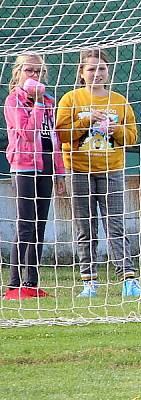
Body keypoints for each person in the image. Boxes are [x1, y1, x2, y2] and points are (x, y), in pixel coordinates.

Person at [55, 49, 141, 299]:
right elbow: (62, 135)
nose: (97, 73)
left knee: (116, 226)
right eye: (91, 69)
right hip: (78, 171)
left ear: (108, 73)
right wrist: (87, 122)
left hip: (112, 171)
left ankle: (128, 280)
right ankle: (89, 282)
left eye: (101, 69)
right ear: (81, 73)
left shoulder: (119, 101)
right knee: (85, 228)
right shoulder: (70, 99)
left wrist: (115, 128)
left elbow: (131, 137)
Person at [3, 53, 66, 301]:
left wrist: (59, 172)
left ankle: (31, 282)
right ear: (18, 73)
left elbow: (54, 139)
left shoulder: (49, 102)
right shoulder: (13, 101)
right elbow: (28, 133)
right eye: (30, 71)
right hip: (24, 167)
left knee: (40, 225)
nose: (35, 76)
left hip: (46, 167)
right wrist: (37, 104)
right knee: (25, 225)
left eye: (39, 72)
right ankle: (14, 285)